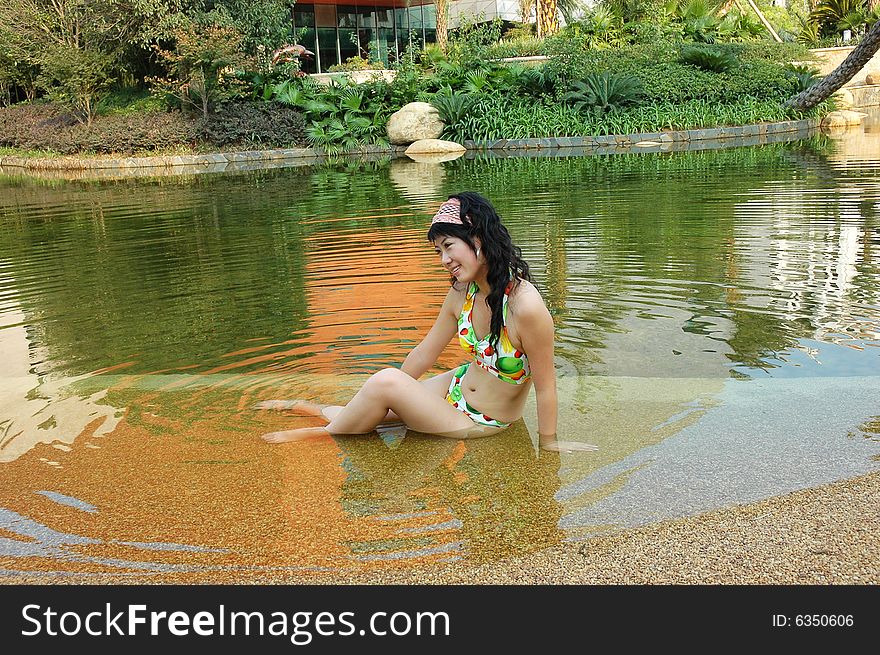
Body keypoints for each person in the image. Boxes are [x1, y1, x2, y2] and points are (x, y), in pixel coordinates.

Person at [259, 192, 596, 453]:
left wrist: (548, 442)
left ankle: (319, 434)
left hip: (480, 421)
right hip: (456, 388)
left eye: (449, 246)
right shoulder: (463, 292)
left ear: (478, 239)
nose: (445, 260)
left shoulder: (525, 306)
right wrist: (397, 394)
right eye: (438, 251)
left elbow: (546, 384)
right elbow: (425, 352)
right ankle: (312, 409)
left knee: (385, 384)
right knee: (377, 402)